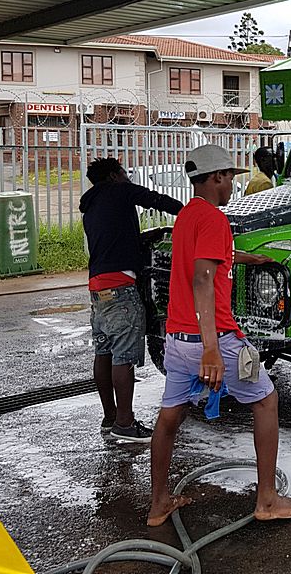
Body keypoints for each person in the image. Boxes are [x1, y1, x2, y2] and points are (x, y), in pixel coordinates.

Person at [147, 143, 291, 527]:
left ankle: (158, 504)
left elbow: (208, 258)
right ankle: (267, 500)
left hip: (177, 342)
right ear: (217, 177)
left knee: (169, 418)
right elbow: (203, 279)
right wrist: (211, 349)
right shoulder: (214, 219)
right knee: (266, 400)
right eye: (230, 178)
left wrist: (250, 258)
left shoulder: (188, 215)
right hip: (216, 340)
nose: (233, 184)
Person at [80, 157, 184, 443]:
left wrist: (141, 238)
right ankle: (125, 423)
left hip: (97, 288)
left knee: (104, 352)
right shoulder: (120, 190)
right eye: (124, 174)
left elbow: (114, 240)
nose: (127, 178)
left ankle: (110, 418)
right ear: (114, 175)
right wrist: (190, 212)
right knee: (123, 356)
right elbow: (156, 200)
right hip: (121, 288)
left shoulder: (91, 206)